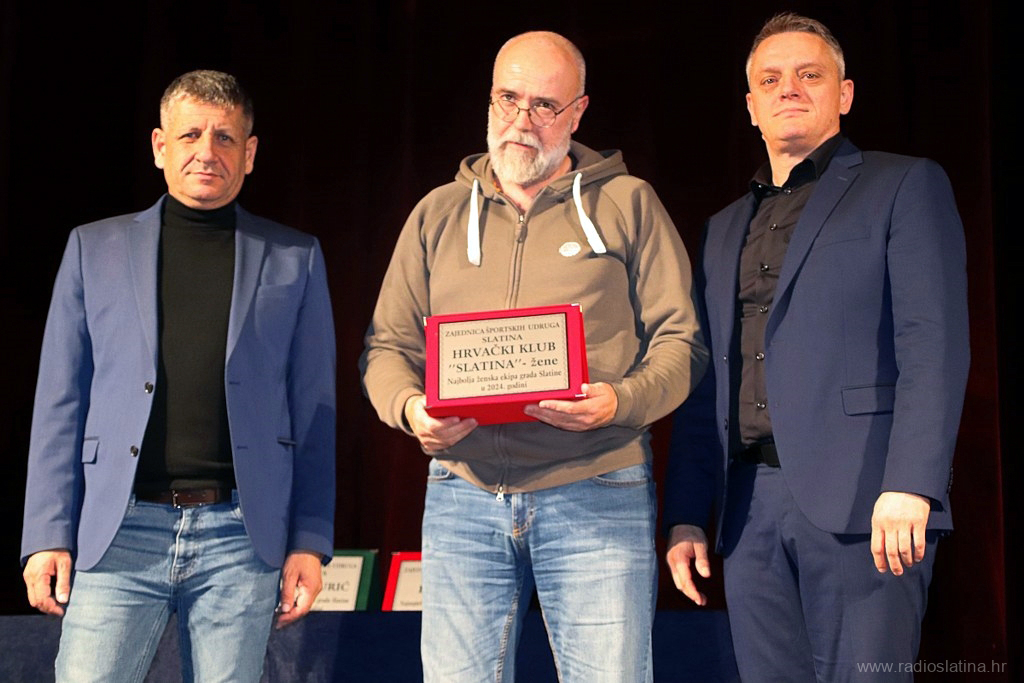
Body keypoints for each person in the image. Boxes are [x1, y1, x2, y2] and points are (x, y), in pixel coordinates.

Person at [361, 31, 707, 683]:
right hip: (462, 494)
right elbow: (388, 347)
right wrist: (410, 410)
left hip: (597, 488)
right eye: (508, 98)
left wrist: (620, 401)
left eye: (544, 105)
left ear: (578, 113)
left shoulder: (629, 203)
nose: (522, 120)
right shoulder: (437, 213)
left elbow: (681, 342)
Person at [663, 12, 969, 682]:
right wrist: (687, 513)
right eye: (771, 80)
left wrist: (911, 482)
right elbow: (705, 378)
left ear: (845, 93)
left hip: (868, 502)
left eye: (810, 74)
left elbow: (933, 344)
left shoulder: (903, 184)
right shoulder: (721, 228)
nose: (790, 89)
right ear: (751, 106)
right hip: (747, 511)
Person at [20, 70, 336, 683]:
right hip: (118, 532)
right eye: (190, 135)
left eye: (225, 137)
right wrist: (47, 533)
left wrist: (309, 540)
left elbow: (315, 408)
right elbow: (60, 401)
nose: (206, 152)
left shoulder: (294, 257)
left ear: (249, 153)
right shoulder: (93, 248)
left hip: (240, 538)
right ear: (160, 146)